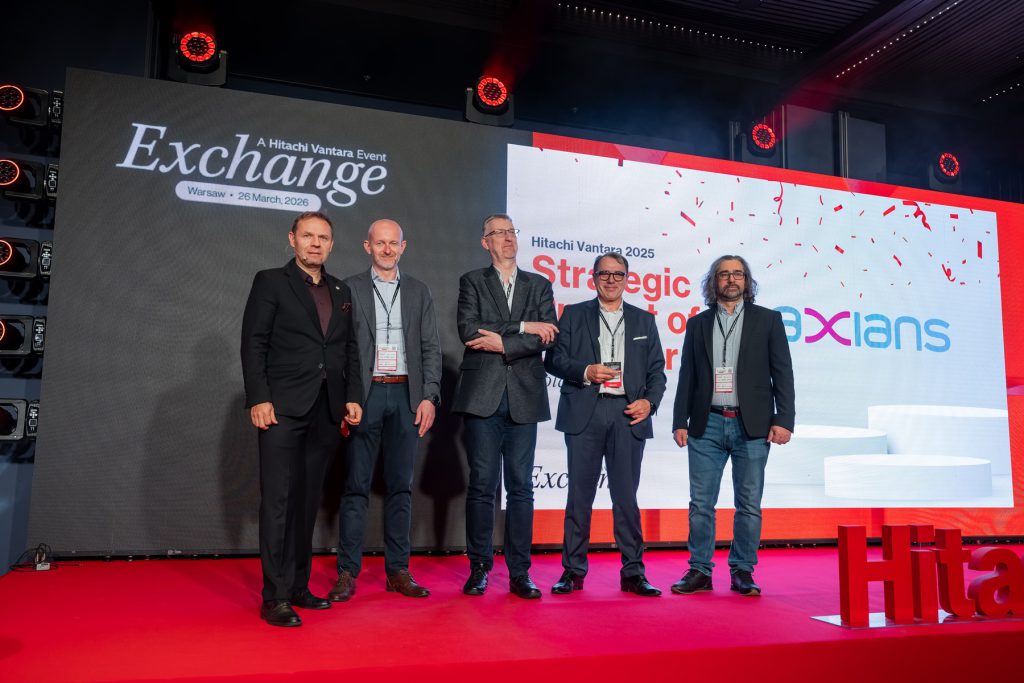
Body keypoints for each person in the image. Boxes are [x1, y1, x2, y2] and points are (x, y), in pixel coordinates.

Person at [241, 211, 363, 627]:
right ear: (292, 239)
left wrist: (352, 397)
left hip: (326, 411)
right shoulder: (270, 281)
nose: (315, 243)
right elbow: (254, 343)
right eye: (308, 236)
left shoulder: (341, 289)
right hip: (281, 409)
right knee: (278, 501)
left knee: (307, 502)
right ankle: (274, 596)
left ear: (331, 244)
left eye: (323, 237)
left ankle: (297, 586)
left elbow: (348, 350)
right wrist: (259, 397)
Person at [329, 219, 442, 602]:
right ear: (368, 246)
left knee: (401, 487)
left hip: (407, 395)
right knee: (356, 486)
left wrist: (429, 396)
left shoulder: (419, 291)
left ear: (403, 247)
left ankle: (398, 571)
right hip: (367, 394)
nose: (388, 249)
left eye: (394, 243)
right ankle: (347, 572)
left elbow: (430, 347)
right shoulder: (349, 289)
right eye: (380, 243)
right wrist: (345, 398)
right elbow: (340, 348)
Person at [670, 254, 795, 597]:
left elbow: (783, 372)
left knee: (749, 504)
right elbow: (687, 375)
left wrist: (784, 419)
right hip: (706, 423)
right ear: (714, 281)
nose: (731, 279)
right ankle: (699, 570)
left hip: (752, 425)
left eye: (738, 274)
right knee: (700, 504)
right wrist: (679, 420)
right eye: (724, 274)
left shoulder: (768, 320)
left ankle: (743, 571)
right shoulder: (698, 324)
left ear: (747, 281)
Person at [544, 252, 667, 596]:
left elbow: (657, 371)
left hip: (627, 414)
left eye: (618, 274)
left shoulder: (644, 320)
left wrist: (650, 402)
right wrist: (585, 371)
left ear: (627, 278)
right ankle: (572, 572)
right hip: (586, 411)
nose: (611, 280)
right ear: (593, 277)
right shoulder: (573, 314)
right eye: (605, 274)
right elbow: (554, 360)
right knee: (579, 497)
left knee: (626, 497)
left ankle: (633, 573)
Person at [453, 213, 558, 599]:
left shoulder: (539, 284)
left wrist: (502, 341)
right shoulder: (472, 281)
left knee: (521, 487)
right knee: (482, 484)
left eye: (511, 231)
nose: (508, 238)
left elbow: (549, 335)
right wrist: (522, 328)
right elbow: (469, 330)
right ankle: (479, 567)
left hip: (524, 397)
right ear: (486, 242)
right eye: (499, 233)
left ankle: (520, 572)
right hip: (482, 395)